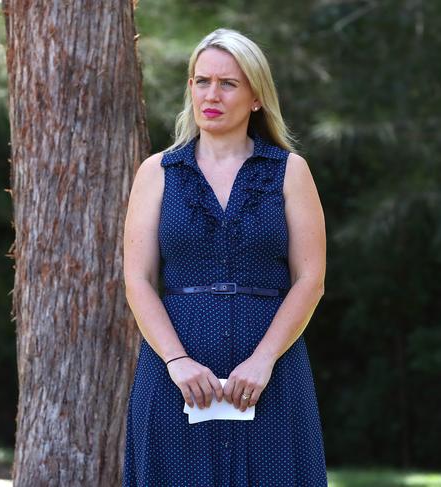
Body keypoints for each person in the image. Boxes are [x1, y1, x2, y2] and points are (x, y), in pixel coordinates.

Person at [122, 27, 327, 486]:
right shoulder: (157, 173)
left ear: (256, 96)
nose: (211, 95)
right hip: (174, 377)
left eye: (228, 84)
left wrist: (263, 360)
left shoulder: (290, 172)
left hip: (271, 376)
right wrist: (177, 362)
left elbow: (310, 279)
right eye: (201, 81)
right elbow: (137, 280)